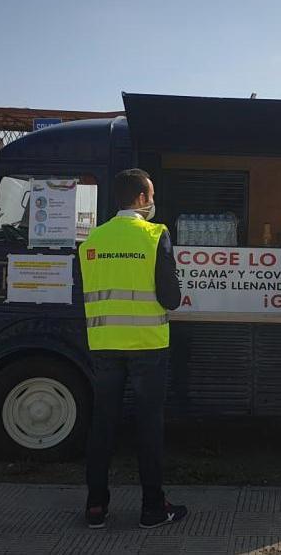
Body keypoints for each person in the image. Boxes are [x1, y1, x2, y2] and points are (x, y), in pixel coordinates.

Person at [78, 168, 188, 530]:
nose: (152, 202)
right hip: (147, 346)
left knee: (102, 425)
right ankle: (153, 508)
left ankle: (96, 507)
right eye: (151, 195)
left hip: (104, 345)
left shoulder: (92, 240)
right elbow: (170, 297)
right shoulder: (156, 236)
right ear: (141, 199)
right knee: (148, 427)